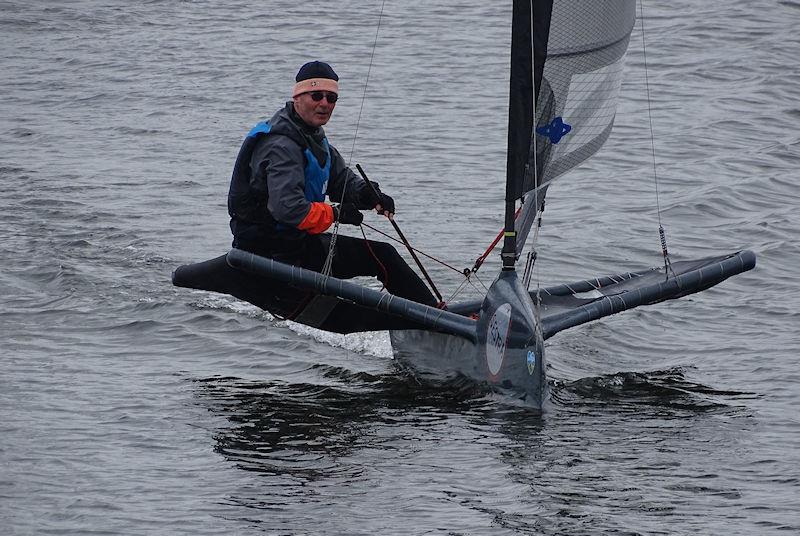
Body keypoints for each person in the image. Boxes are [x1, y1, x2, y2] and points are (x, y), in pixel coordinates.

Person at [227, 61, 437, 307]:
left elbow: (340, 180)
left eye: (332, 98)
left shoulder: (311, 135)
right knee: (383, 256)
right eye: (316, 96)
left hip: (296, 245)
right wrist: (336, 213)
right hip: (267, 253)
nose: (325, 103)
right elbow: (288, 209)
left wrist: (369, 195)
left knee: (383, 254)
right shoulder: (281, 144)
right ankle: (435, 321)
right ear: (298, 97)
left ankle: (434, 316)